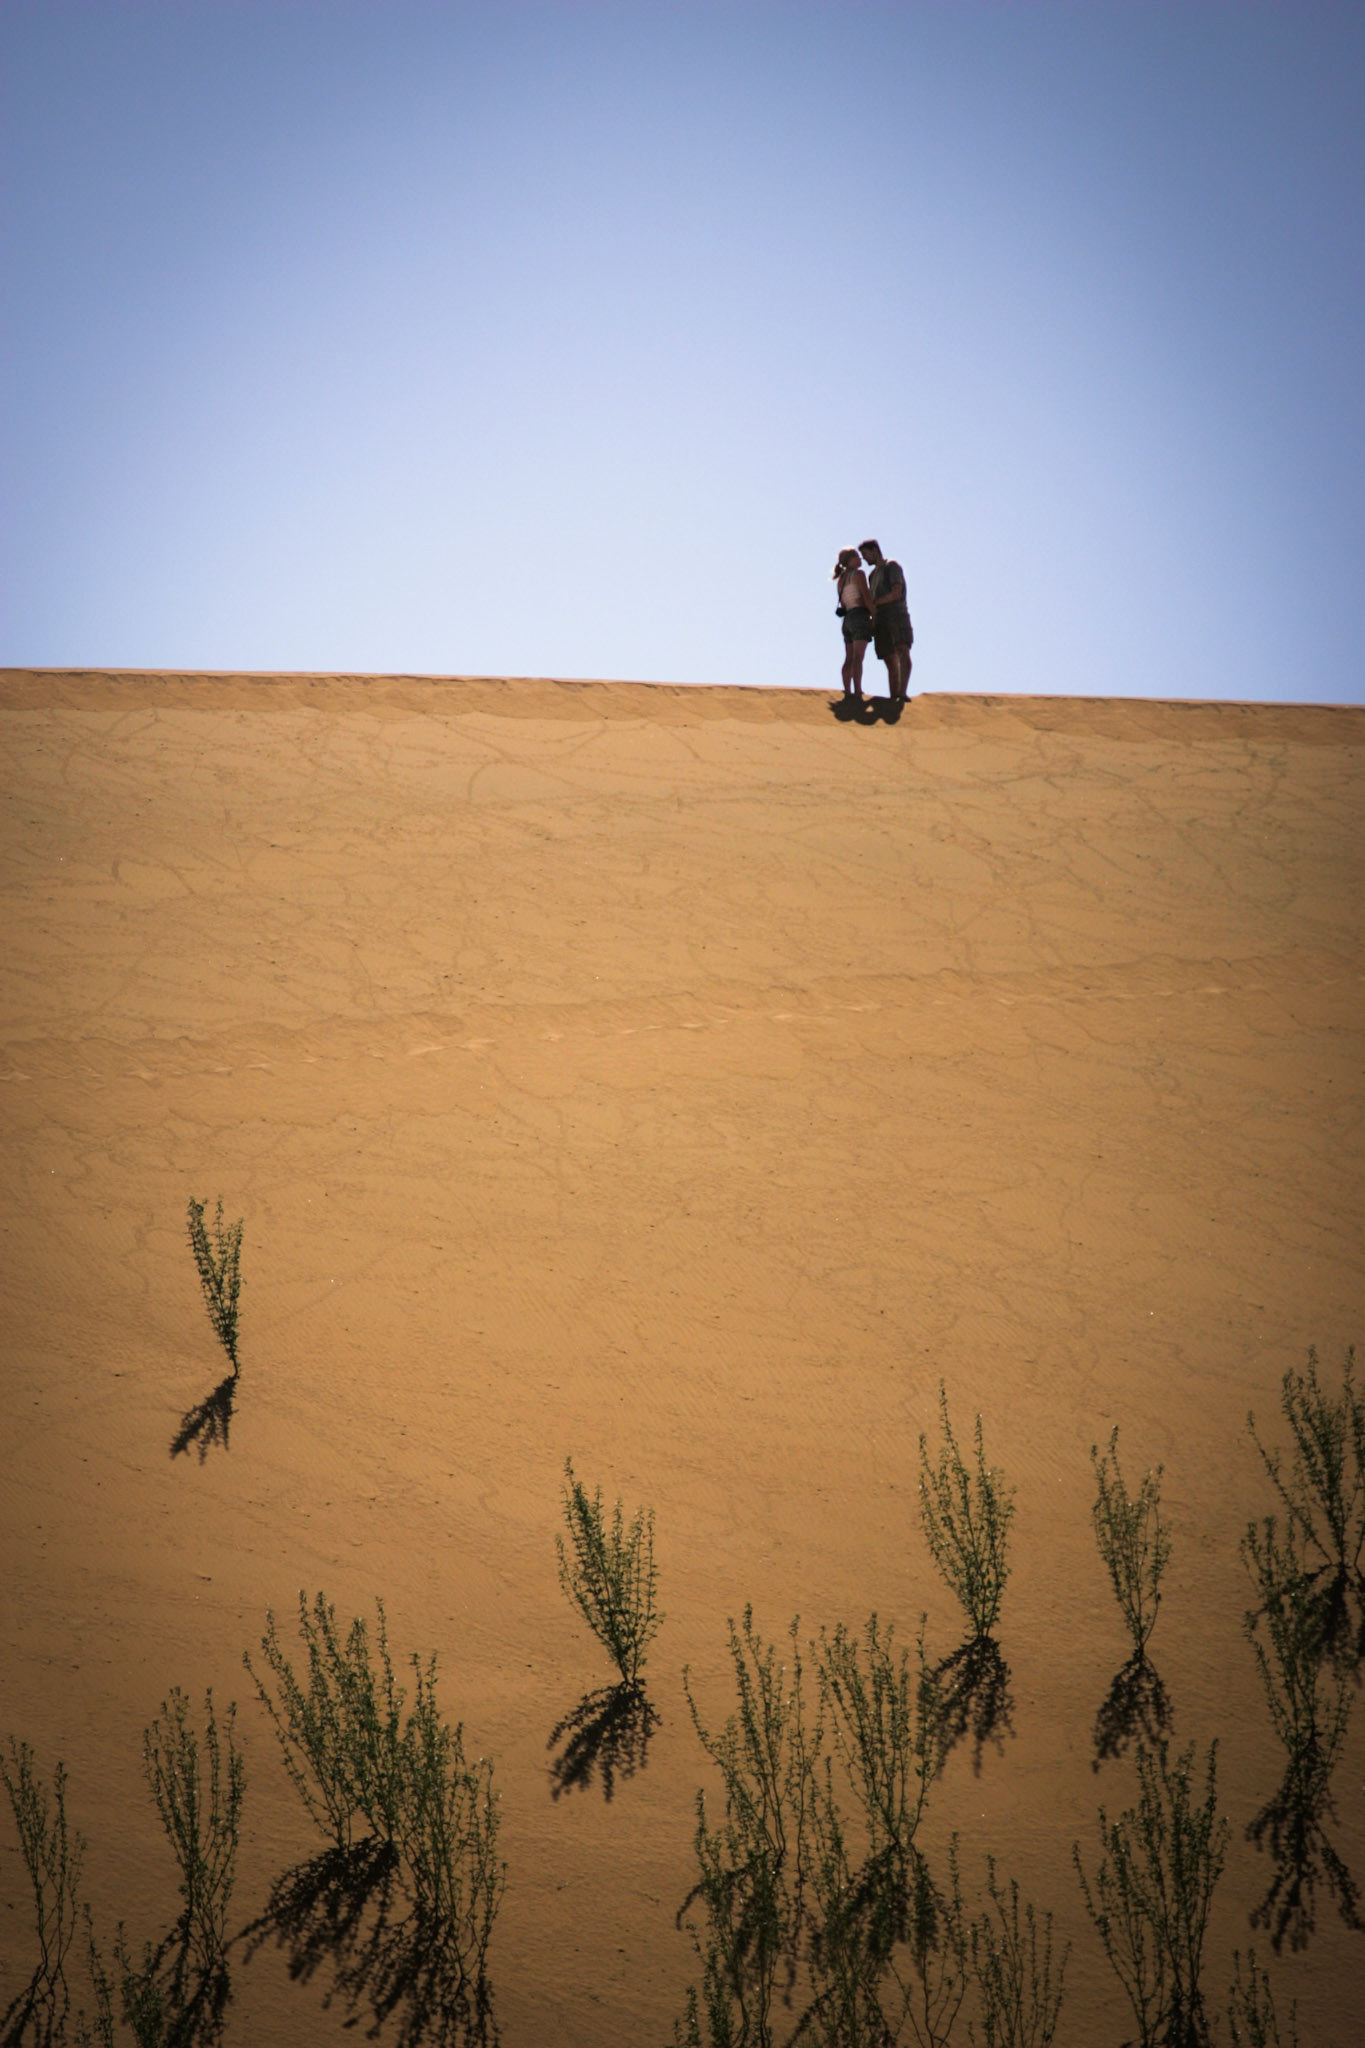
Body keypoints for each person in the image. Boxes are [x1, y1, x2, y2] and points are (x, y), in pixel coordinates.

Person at [860, 539, 913, 703]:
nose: (864, 559)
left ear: (874, 550)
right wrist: (873, 620)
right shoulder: (872, 576)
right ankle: (893, 696)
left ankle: (902, 693)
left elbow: (896, 592)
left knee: (902, 650)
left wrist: (876, 602)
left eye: (865, 554)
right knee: (889, 658)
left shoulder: (891, 566)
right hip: (881, 619)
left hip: (897, 615)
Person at [833, 547, 873, 700]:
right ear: (850, 561)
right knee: (858, 657)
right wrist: (874, 616)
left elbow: (843, 603)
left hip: (847, 619)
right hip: (859, 616)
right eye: (856, 556)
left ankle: (847, 689)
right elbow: (866, 597)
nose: (860, 559)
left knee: (849, 657)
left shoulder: (840, 581)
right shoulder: (859, 574)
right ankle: (857, 690)